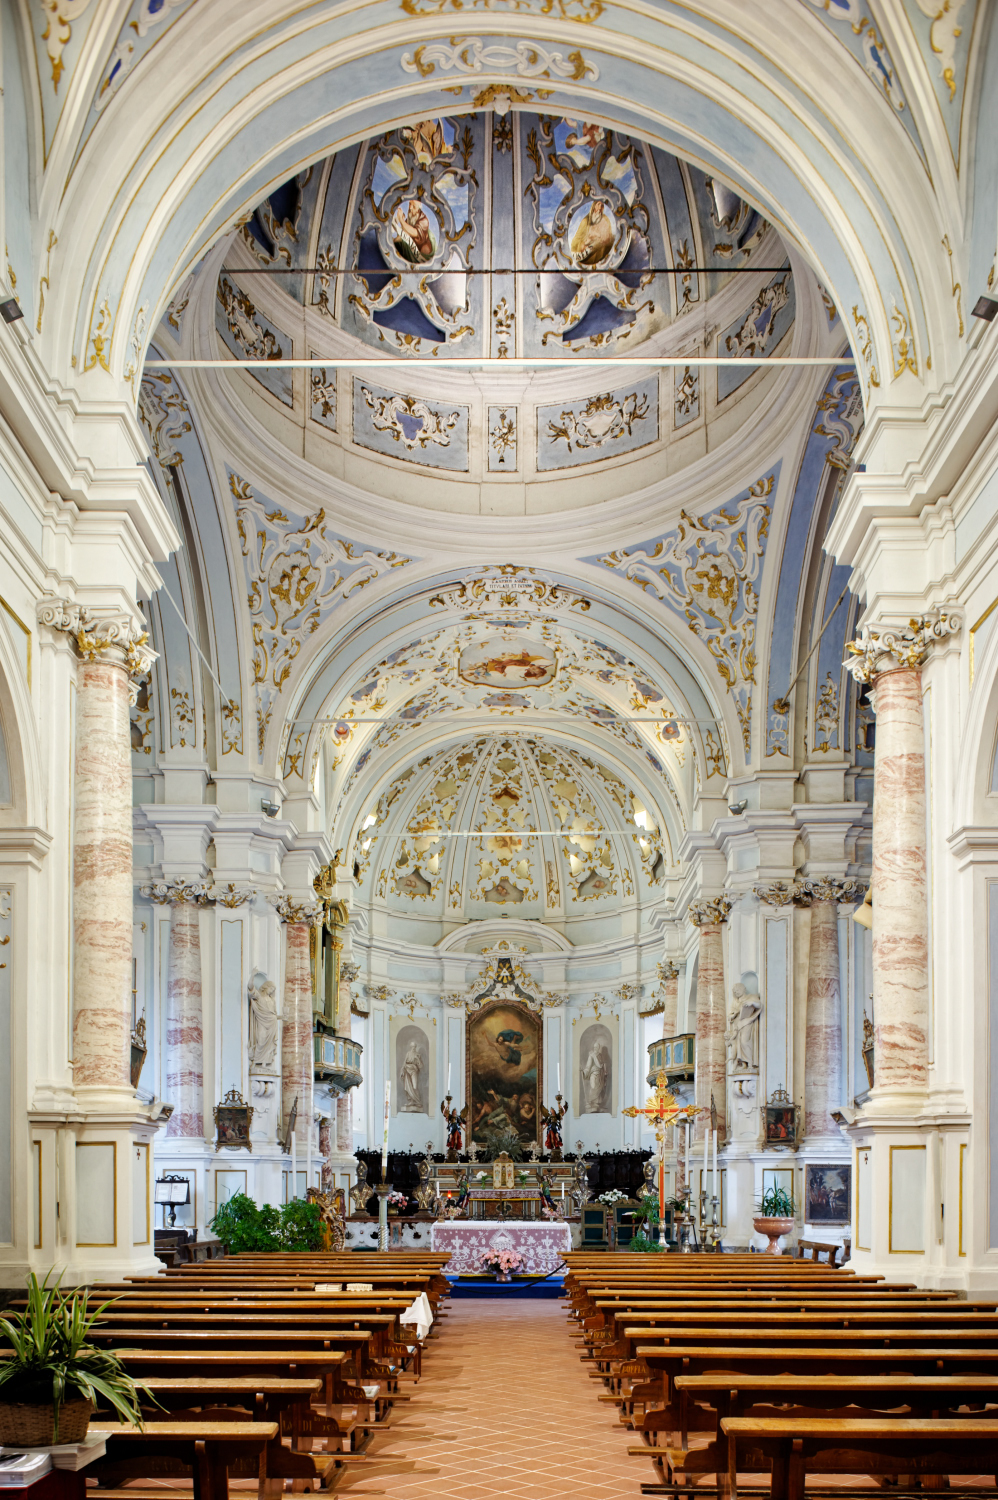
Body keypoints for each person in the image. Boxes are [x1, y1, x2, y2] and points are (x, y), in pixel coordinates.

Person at [247, 971, 279, 1072]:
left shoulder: (272, 1001)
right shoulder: (259, 997)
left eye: (273, 990)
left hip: (272, 1024)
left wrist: (282, 1017)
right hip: (262, 1022)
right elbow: (251, 988)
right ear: (266, 987)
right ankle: (255, 1061)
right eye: (271, 988)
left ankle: (264, 1063)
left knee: (269, 1045)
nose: (271, 991)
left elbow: (274, 1014)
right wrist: (252, 976)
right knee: (260, 1040)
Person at [399, 1037, 424, 1112]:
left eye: (414, 1047)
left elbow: (421, 1066)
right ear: (411, 1047)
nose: (413, 1048)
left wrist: (417, 1059)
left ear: (416, 1047)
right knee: (408, 1086)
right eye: (412, 1046)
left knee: (414, 1086)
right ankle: (411, 1101)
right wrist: (402, 1071)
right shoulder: (408, 1053)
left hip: (414, 1071)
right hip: (407, 1070)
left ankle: (418, 1101)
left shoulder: (418, 1055)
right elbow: (404, 1063)